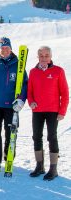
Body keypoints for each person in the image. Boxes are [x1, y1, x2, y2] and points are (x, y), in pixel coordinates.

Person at [27, 46, 69, 181]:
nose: (44, 58)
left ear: (50, 57)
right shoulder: (33, 72)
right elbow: (29, 92)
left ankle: (53, 168)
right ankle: (40, 166)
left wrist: (62, 111)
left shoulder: (58, 71)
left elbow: (65, 93)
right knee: (36, 137)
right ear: (38, 57)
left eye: (46, 55)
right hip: (38, 110)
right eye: (41, 56)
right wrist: (31, 102)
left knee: (52, 137)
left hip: (53, 111)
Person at [0, 37, 28, 172]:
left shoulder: (18, 65)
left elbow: (24, 84)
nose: (5, 50)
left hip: (11, 106)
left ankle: (9, 157)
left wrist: (21, 99)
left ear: (11, 49)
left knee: (11, 132)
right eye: (2, 48)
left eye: (7, 48)